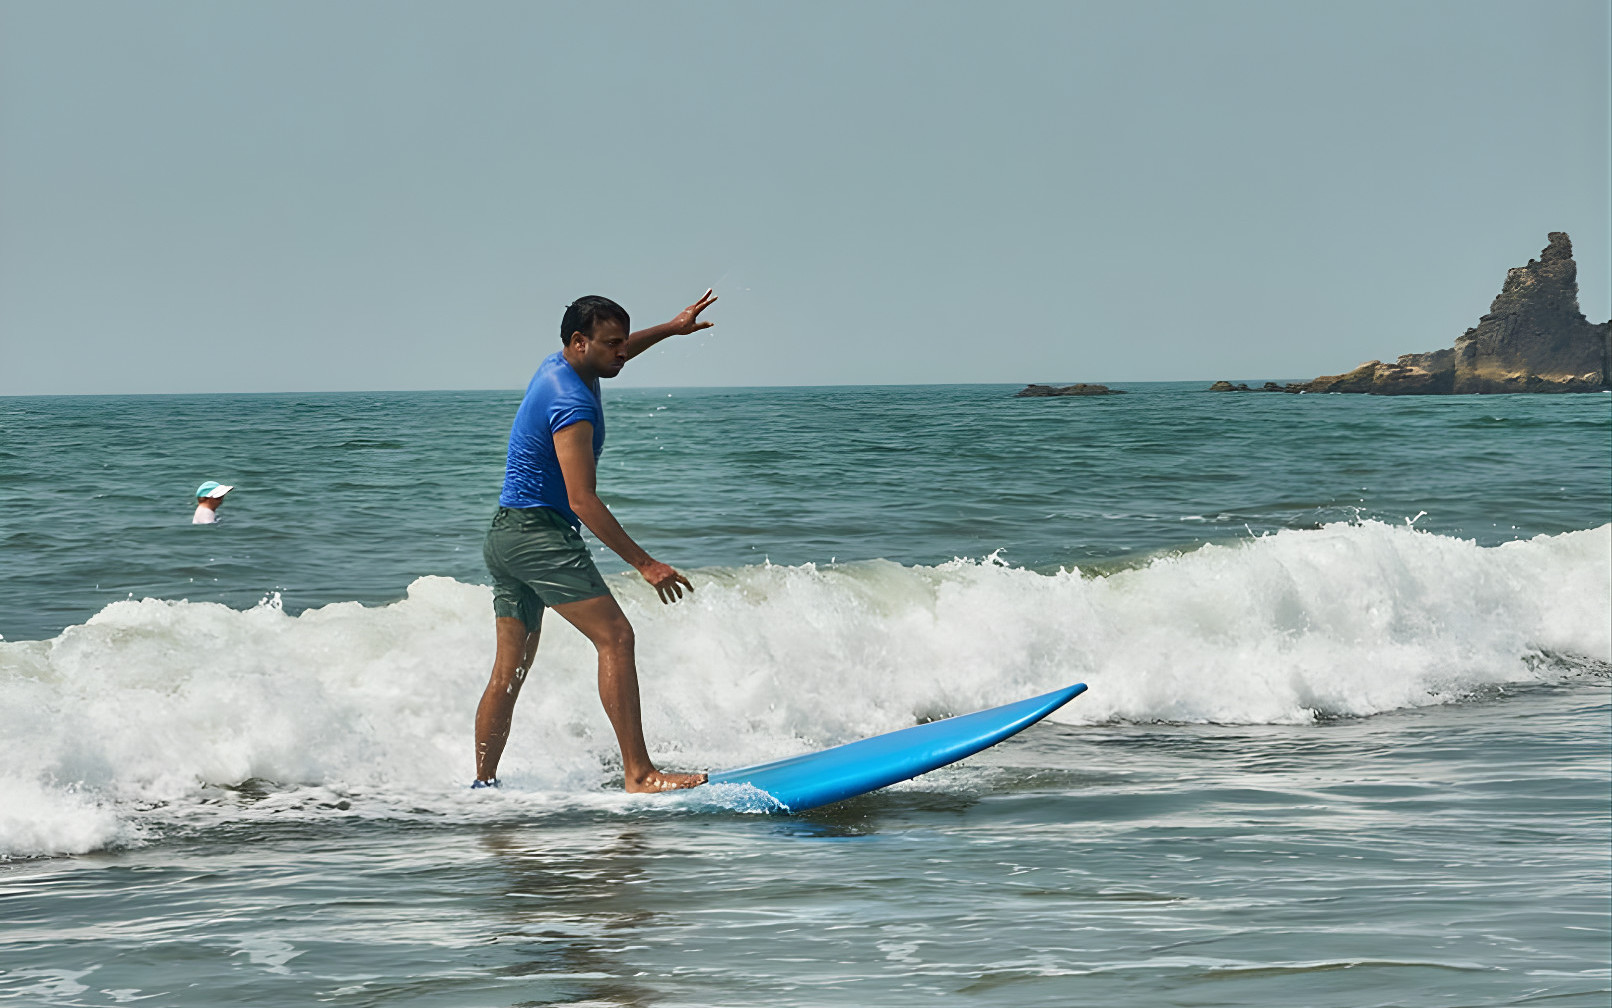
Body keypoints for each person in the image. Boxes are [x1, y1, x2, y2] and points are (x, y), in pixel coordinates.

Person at [476, 290, 719, 792]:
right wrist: (645, 564)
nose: (622, 353)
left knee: (510, 668)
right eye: (612, 345)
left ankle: (483, 786)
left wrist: (672, 329)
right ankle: (640, 774)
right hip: (539, 535)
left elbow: (620, 350)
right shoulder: (571, 402)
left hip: (505, 535)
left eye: (624, 343)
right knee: (616, 637)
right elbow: (583, 501)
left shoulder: (559, 366)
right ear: (580, 342)